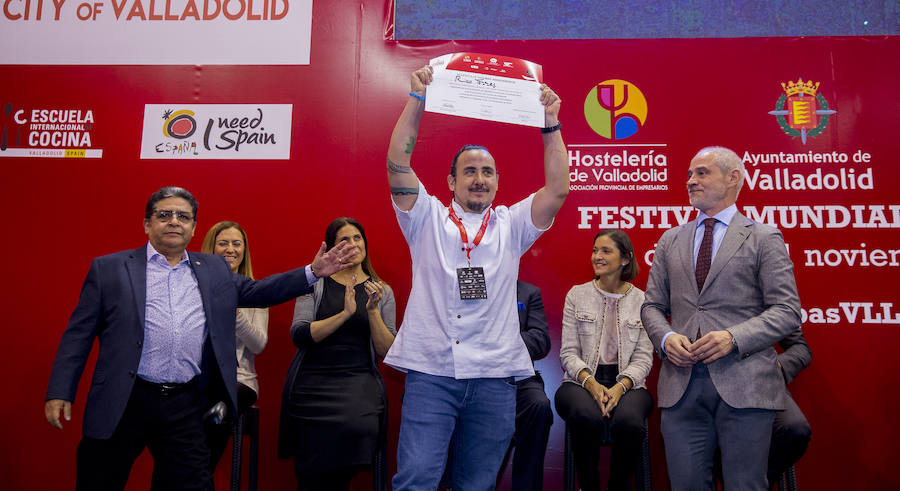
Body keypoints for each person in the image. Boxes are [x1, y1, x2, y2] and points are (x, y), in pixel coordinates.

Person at [44, 186, 353, 491]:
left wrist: (313, 272)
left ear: (193, 228)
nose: (174, 221)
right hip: (125, 399)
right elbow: (78, 335)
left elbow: (258, 291)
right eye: (164, 215)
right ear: (147, 224)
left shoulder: (213, 269)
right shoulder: (109, 268)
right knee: (99, 481)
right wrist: (60, 390)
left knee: (192, 483)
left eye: (183, 216)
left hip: (184, 402)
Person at [383, 65, 568, 490]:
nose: (479, 179)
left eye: (487, 172)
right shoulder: (425, 216)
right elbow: (397, 164)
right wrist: (417, 99)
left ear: (498, 182)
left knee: (478, 485)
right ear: (451, 181)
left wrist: (551, 124)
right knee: (416, 481)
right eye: (469, 171)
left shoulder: (511, 223)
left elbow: (557, 190)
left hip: (494, 378)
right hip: (432, 375)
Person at [641, 147, 802, 491]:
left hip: (745, 385)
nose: (690, 181)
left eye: (701, 173)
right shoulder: (671, 240)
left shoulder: (763, 237)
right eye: (689, 174)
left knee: (745, 485)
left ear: (733, 178)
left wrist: (733, 336)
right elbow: (651, 306)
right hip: (680, 387)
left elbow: (787, 311)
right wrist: (667, 340)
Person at [278, 217, 396, 491]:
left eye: (358, 238)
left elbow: (387, 350)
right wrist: (344, 314)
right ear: (332, 247)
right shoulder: (314, 283)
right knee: (310, 473)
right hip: (312, 385)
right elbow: (300, 334)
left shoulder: (382, 291)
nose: (353, 244)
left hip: (358, 384)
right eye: (344, 239)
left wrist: (371, 311)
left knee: (353, 429)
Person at [555, 230, 654, 491]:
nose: (597, 256)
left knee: (630, 422)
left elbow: (644, 358)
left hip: (628, 383)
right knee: (586, 416)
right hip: (580, 381)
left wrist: (620, 387)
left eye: (606, 251)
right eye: (595, 250)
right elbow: (568, 353)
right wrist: (592, 384)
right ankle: (589, 486)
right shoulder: (576, 295)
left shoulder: (643, 300)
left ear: (625, 259)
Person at [439, 280, 554, 491]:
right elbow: (455, 330)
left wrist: (499, 340)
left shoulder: (529, 292)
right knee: (449, 399)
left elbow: (540, 341)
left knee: (539, 405)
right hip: (474, 376)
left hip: (517, 378)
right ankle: (451, 485)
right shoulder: (467, 285)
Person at [200, 220, 269, 472]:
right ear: (211, 248)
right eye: (223, 243)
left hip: (239, 383)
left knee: (209, 435)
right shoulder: (194, 289)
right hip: (200, 381)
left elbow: (259, 343)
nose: (231, 249)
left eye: (236, 243)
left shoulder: (256, 291)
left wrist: (235, 313)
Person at [768, 328, 812, 486]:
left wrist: (774, 368)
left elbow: (800, 348)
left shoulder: (766, 303)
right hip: (695, 380)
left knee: (793, 428)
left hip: (758, 381)